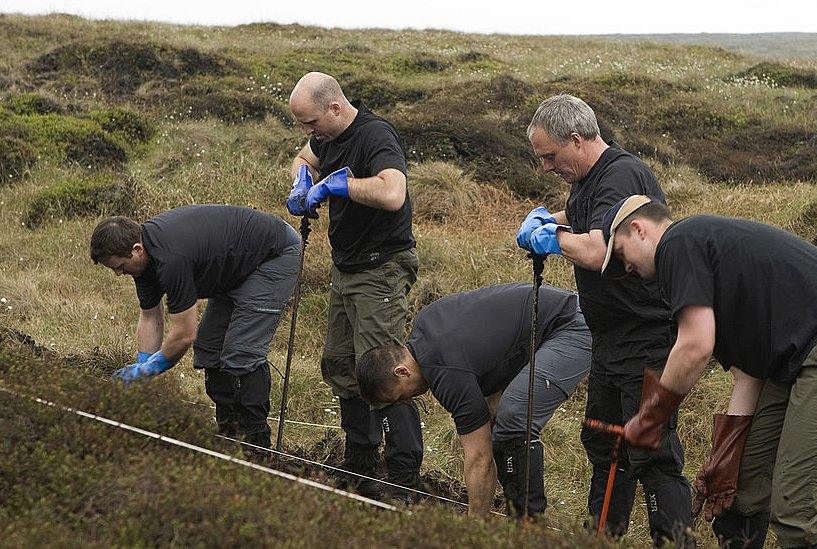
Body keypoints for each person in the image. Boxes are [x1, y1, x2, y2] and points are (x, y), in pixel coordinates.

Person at [602, 195, 817, 549]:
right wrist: (725, 456)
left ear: (639, 229)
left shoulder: (677, 244)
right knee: (739, 494)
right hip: (798, 361)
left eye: (621, 253)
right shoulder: (703, 256)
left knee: (798, 510)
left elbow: (694, 346)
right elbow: (748, 374)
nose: (626, 268)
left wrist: (650, 417)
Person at [517, 94, 693, 545]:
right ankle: (602, 538)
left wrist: (552, 237)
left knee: (651, 452)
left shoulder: (622, 174)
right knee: (606, 443)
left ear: (576, 140)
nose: (546, 168)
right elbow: (585, 215)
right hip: (610, 341)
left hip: (647, 340)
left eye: (550, 157)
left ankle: (674, 542)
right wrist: (548, 218)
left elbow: (598, 250)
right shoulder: (589, 178)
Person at [285, 71, 422, 498]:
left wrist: (342, 185)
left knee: (382, 369)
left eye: (311, 122)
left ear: (335, 108)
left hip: (381, 266)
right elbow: (305, 157)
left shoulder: (376, 135)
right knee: (341, 364)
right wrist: (302, 179)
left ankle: (402, 479)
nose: (310, 133)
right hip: (345, 267)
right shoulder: (325, 137)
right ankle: (360, 462)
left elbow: (393, 192)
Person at [355, 283, 590, 518]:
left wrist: (474, 524)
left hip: (573, 325)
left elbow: (479, 457)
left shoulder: (445, 372)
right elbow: (492, 350)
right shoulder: (425, 324)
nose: (408, 400)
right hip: (564, 310)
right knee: (500, 418)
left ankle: (527, 527)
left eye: (402, 396)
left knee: (514, 419)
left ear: (402, 372)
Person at [89, 205, 301, 449]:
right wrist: (142, 366)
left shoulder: (171, 259)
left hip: (273, 255)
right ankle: (229, 434)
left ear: (137, 250)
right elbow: (150, 318)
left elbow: (184, 334)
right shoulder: (144, 263)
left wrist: (152, 368)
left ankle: (255, 444)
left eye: (119, 267)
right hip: (234, 263)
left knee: (241, 353)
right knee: (210, 348)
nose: (118, 274)